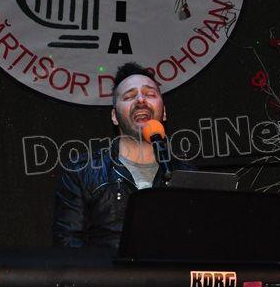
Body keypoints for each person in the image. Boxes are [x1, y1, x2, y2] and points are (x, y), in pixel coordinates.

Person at [52, 62, 192, 254]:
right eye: (129, 96)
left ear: (165, 112)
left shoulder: (187, 175)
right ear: (114, 116)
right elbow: (68, 246)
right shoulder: (82, 172)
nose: (141, 100)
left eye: (150, 94)